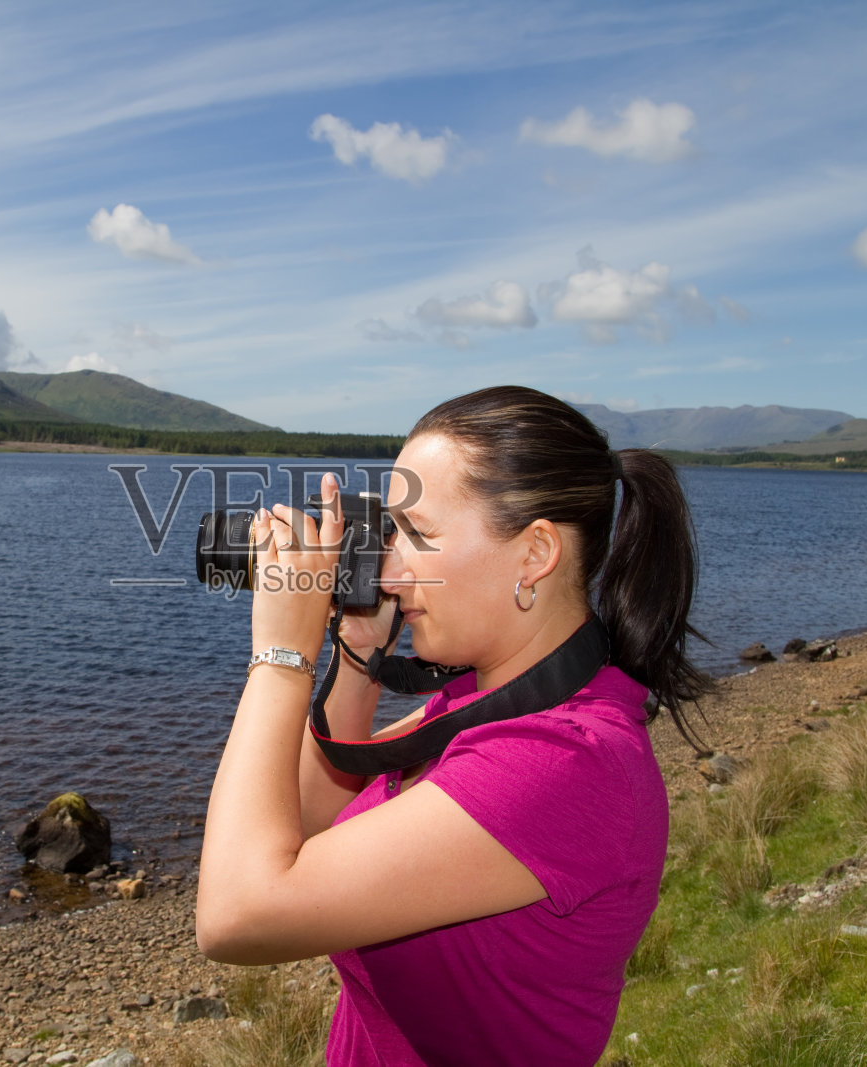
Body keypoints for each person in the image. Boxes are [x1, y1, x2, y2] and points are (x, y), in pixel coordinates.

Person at [195, 385, 708, 1066]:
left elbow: (236, 914)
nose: (393, 568)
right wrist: (356, 650)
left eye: (417, 534)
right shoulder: (486, 696)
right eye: (390, 530)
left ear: (535, 554)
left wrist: (281, 657)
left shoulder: (564, 763)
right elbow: (315, 819)